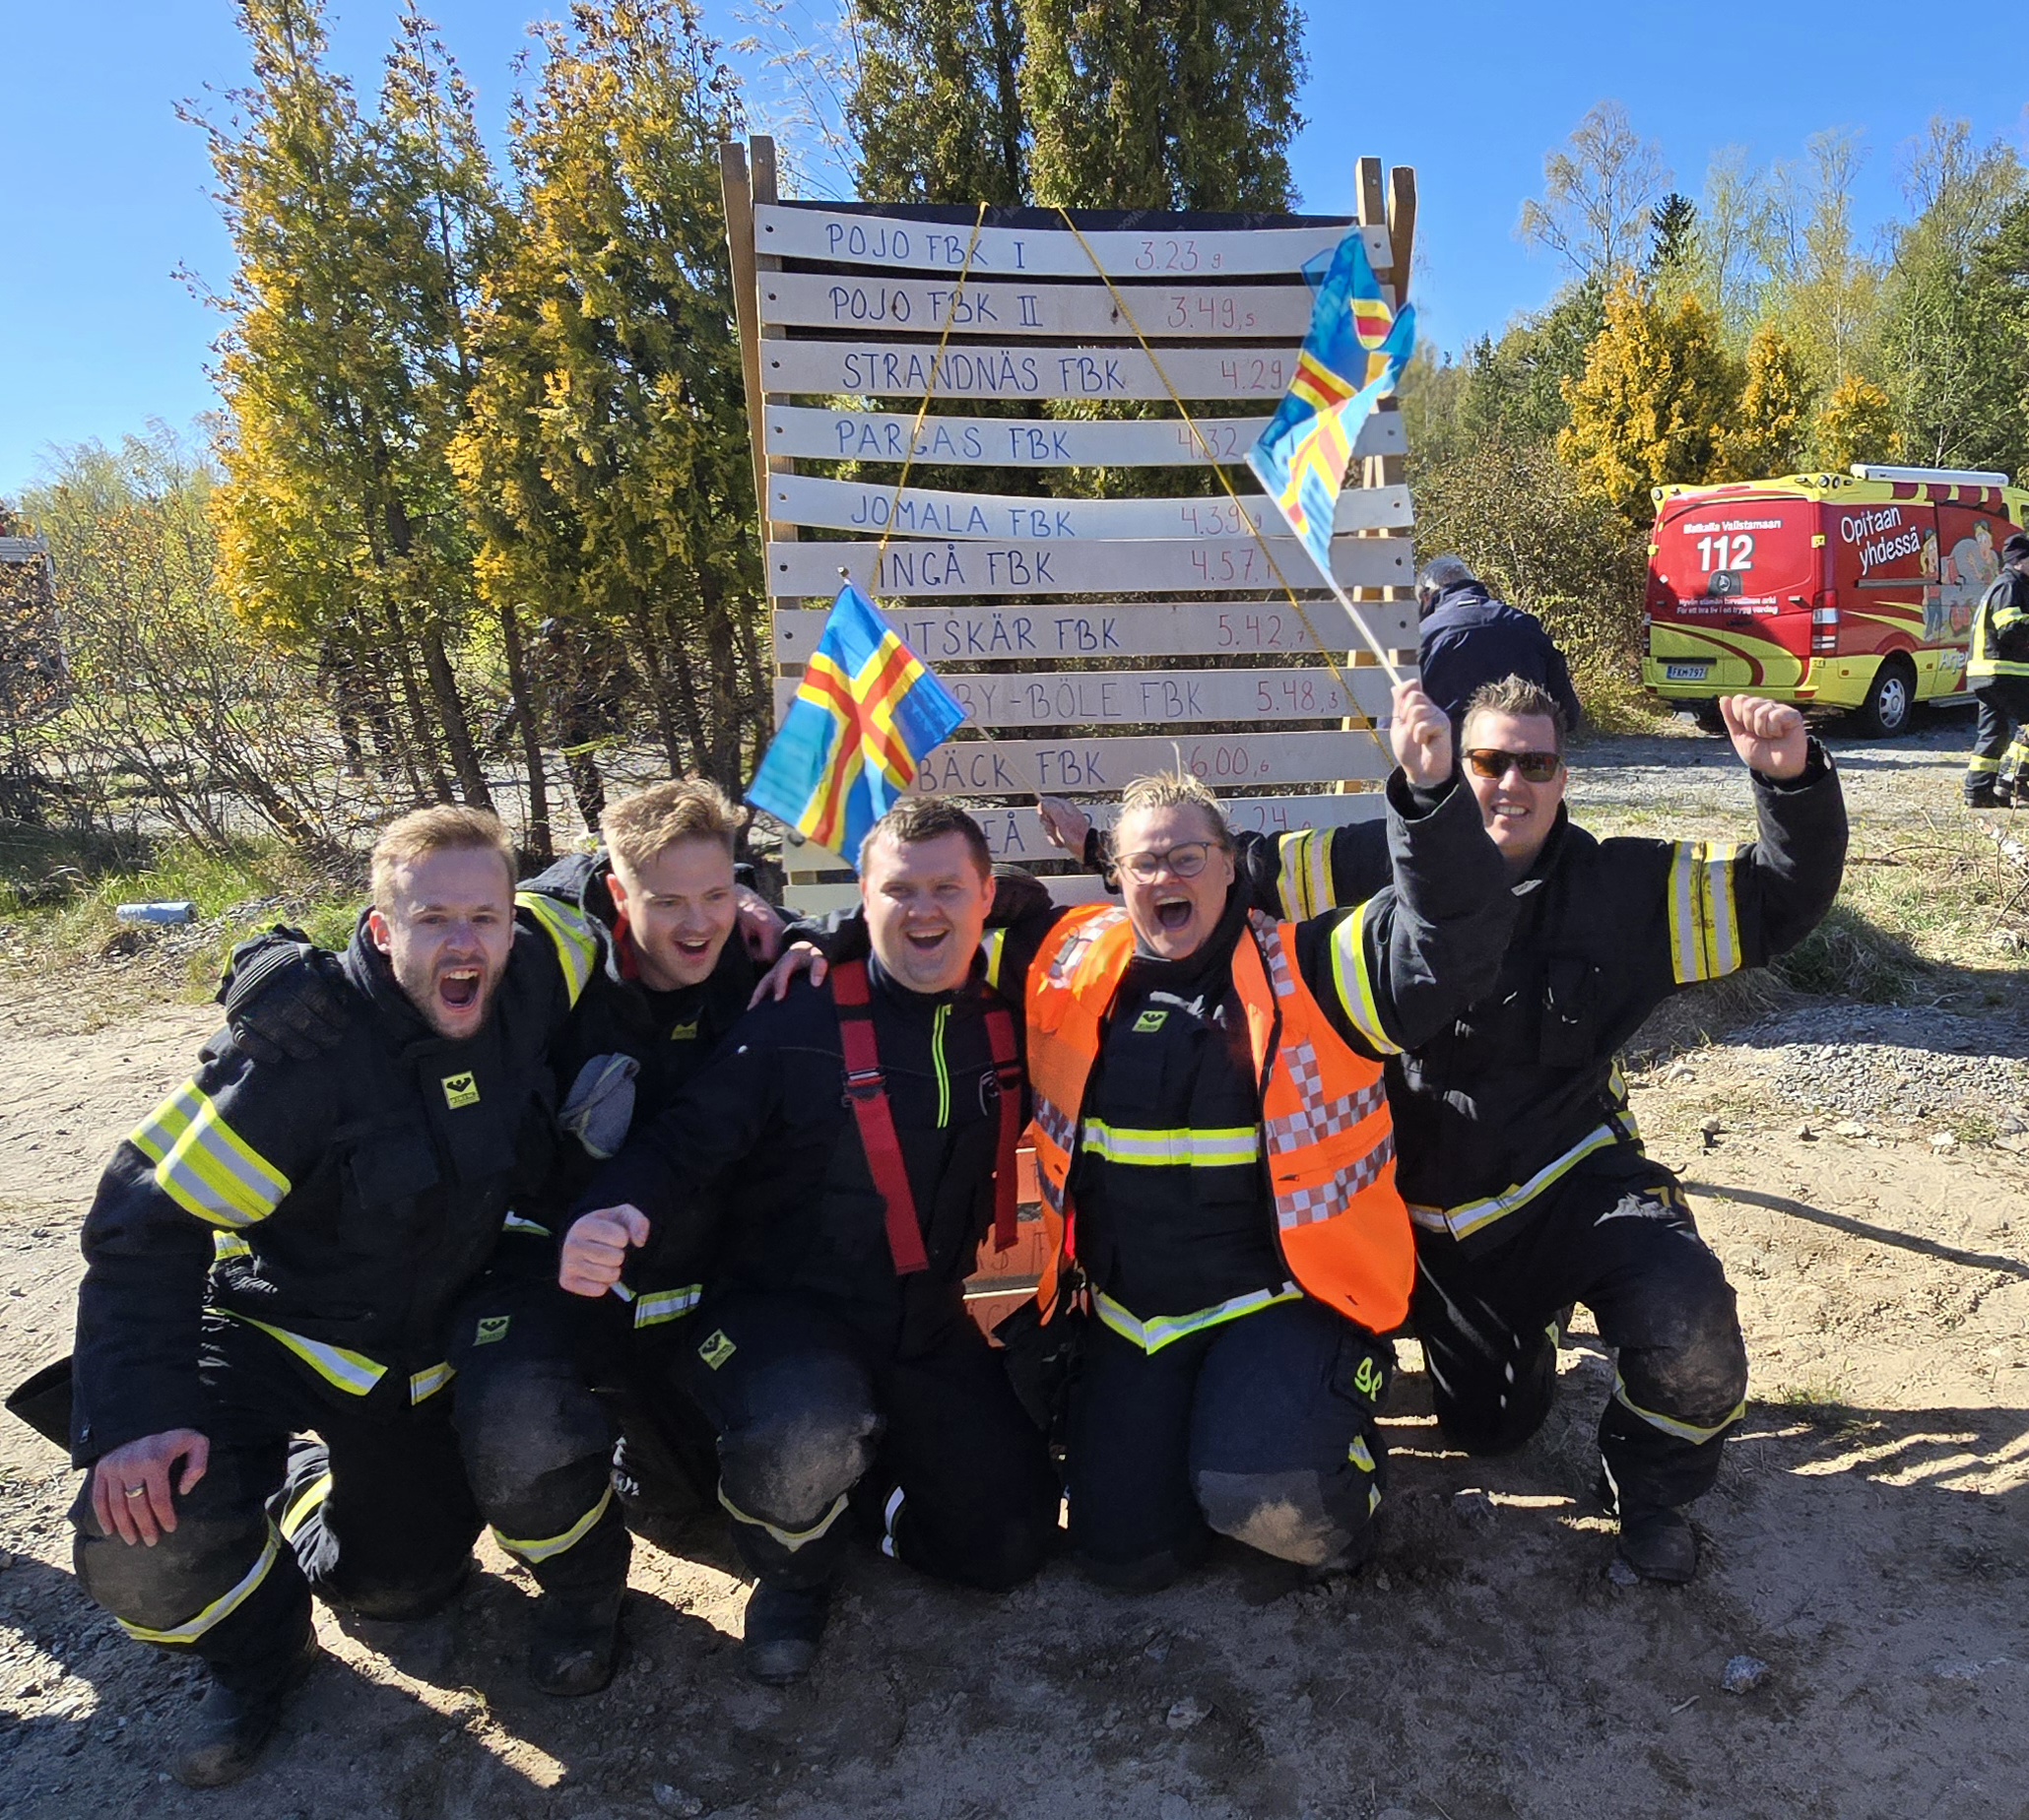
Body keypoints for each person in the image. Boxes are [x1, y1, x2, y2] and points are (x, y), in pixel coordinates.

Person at [1062, 681, 1844, 1582]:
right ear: (1451, 767)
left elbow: (1776, 903)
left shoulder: (1627, 891)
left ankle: (1651, 1486)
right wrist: (1099, 851)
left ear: (1564, 779)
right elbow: (1227, 867)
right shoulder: (1368, 860)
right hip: (1412, 1227)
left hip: (1566, 1189)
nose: (1510, 783)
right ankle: (1510, 1344)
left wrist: (1792, 785)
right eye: (1487, 761)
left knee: (1690, 1320)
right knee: (1489, 1434)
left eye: (1536, 763)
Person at [808, 682, 1516, 1592]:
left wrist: (1429, 800)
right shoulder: (1069, 958)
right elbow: (928, 932)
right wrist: (813, 939)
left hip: (1285, 1302)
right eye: (1145, 865)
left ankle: (1338, 1489)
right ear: (1117, 877)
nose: (1166, 878)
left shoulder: (1311, 968)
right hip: (1132, 1317)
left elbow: (1447, 947)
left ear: (1232, 868)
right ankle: (1207, 1462)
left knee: (1272, 1497)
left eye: (1188, 858)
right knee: (1121, 1557)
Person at [68, 808, 626, 1788]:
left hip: (413, 1359)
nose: (466, 943)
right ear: (378, 929)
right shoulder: (300, 1053)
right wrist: (139, 1417)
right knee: (147, 1539)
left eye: (485, 918)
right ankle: (258, 1654)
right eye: (432, 920)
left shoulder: (536, 963)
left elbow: (612, 871)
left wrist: (767, 908)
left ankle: (307, 1492)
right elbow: (141, 1223)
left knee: (402, 1592)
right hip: (279, 1335)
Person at [558, 799, 1058, 1686]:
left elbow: (1045, 910)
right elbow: (682, 1141)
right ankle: (793, 1572)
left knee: (1008, 1546)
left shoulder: (1009, 1008)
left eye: (949, 888)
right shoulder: (799, 1016)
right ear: (864, 897)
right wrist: (613, 1211)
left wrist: (826, 929)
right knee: (809, 1430)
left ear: (986, 894)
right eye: (898, 890)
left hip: (922, 1319)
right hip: (778, 1318)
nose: (925, 911)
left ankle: (860, 1498)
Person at [1414, 554, 1582, 732]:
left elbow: (1399, 716)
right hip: (1523, 751)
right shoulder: (1526, 625)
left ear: (1427, 597)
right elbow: (1567, 714)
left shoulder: (1425, 634)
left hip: (1451, 754)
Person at [1963, 531, 2029, 810]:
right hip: (2005, 671)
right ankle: (2013, 779)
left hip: (1989, 672)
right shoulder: (2011, 586)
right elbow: (2010, 628)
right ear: (2020, 561)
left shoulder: (2005, 584)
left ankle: (1979, 792)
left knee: (1993, 732)